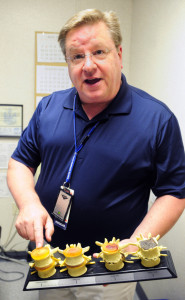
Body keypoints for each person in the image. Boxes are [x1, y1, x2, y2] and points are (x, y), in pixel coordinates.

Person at [7, 8, 185, 300]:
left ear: (119, 54)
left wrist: (134, 245)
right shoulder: (50, 107)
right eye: (77, 56)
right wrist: (28, 204)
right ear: (68, 63)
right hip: (51, 259)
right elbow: (19, 163)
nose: (88, 65)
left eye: (99, 52)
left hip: (110, 271)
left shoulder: (157, 119)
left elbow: (174, 193)